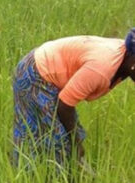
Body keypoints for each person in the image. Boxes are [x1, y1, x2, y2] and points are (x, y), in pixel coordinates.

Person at [13, 29, 135, 167]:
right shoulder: (101, 69)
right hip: (36, 74)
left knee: (59, 138)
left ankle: (63, 181)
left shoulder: (127, 55)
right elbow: (64, 105)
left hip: (46, 67)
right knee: (55, 143)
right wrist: (76, 143)